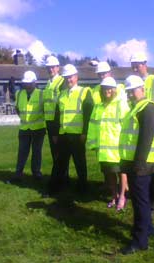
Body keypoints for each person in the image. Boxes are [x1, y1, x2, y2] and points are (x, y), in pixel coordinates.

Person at [120, 75, 154, 254]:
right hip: (134, 162)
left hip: (141, 164)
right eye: (128, 92)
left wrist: (138, 163)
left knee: (140, 202)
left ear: (141, 88)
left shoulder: (147, 107)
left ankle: (140, 240)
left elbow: (146, 139)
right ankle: (148, 228)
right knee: (140, 200)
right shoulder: (136, 107)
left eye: (132, 91)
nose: (130, 95)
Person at [130, 52, 154, 210]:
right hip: (140, 127)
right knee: (143, 159)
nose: (135, 68)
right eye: (133, 65)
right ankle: (146, 191)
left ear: (144, 64)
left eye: (137, 64)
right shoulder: (134, 82)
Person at [48, 64, 93, 194]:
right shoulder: (61, 94)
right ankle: (54, 187)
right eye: (66, 77)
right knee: (59, 163)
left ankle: (83, 187)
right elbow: (57, 115)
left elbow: (88, 114)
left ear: (76, 77)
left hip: (77, 135)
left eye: (71, 77)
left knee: (80, 163)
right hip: (63, 135)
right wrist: (55, 133)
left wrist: (84, 132)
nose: (69, 80)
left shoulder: (84, 92)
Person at [87, 77, 129, 210]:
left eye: (110, 88)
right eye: (104, 88)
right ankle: (114, 196)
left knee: (121, 172)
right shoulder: (98, 107)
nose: (107, 91)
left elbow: (127, 127)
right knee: (109, 174)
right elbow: (92, 126)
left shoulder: (121, 104)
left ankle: (122, 196)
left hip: (118, 148)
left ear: (115, 90)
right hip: (104, 149)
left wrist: (127, 144)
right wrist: (93, 144)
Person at [11, 71, 46, 181]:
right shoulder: (19, 93)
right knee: (22, 151)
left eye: (29, 83)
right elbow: (17, 108)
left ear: (34, 82)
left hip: (38, 128)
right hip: (24, 128)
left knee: (36, 152)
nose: (26, 85)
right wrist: (22, 118)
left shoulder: (41, 94)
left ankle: (36, 173)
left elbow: (45, 110)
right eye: (25, 83)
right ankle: (18, 173)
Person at [43, 56, 65, 185]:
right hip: (49, 122)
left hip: (57, 122)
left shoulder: (61, 82)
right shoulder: (48, 83)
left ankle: (59, 180)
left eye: (53, 67)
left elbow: (60, 106)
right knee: (54, 152)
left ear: (58, 68)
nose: (50, 69)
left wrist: (56, 127)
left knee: (59, 153)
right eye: (48, 67)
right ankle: (62, 178)